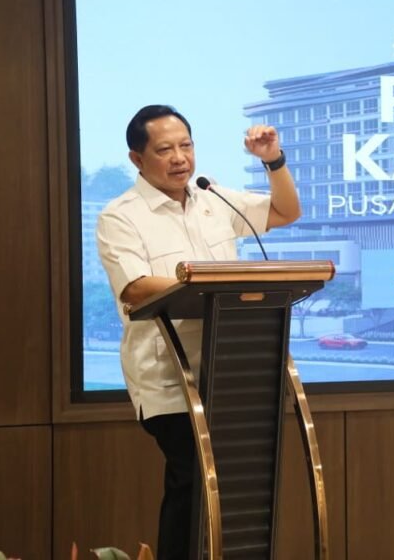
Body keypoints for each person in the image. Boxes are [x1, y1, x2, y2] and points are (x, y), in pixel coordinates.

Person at [96, 105, 301, 560]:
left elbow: (286, 211)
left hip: (229, 370)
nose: (179, 158)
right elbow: (134, 286)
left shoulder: (213, 198)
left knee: (232, 489)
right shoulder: (120, 215)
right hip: (170, 379)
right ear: (137, 159)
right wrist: (207, 285)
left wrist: (273, 160)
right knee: (192, 480)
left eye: (185, 146)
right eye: (164, 150)